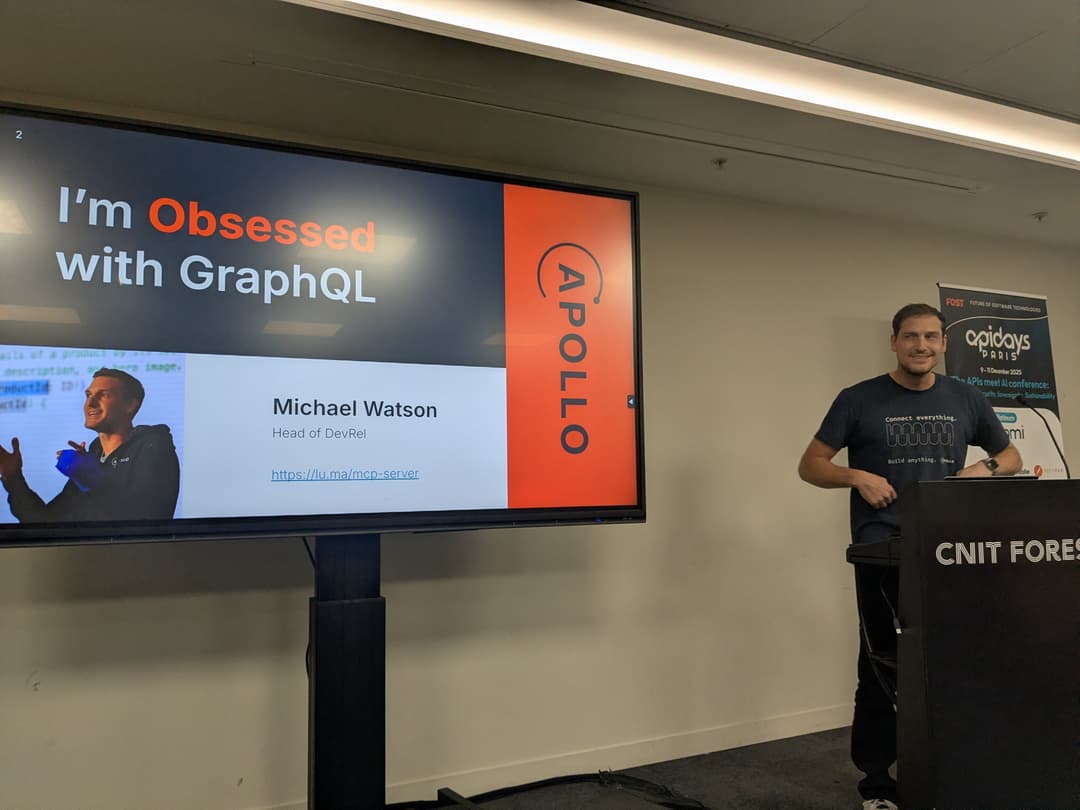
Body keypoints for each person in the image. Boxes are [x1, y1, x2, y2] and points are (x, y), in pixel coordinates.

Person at [797, 303, 1021, 810]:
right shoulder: (858, 399)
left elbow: (1010, 456)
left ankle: (951, 768)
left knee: (952, 664)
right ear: (894, 342)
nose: (921, 345)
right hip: (882, 553)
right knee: (881, 666)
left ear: (943, 344)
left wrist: (983, 468)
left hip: (948, 551)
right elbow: (810, 465)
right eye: (911, 336)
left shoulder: (966, 397)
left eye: (931, 337)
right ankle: (877, 784)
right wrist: (856, 476)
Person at [0, 368, 180, 522]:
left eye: (104, 395)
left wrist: (91, 477)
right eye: (88, 395)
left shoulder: (153, 445)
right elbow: (46, 523)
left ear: (130, 405)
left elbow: (144, 519)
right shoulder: (92, 459)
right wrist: (14, 478)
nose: (90, 403)